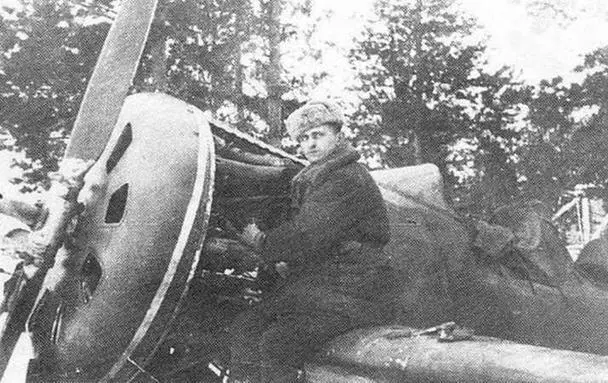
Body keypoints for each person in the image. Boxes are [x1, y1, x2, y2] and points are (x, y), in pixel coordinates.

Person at [229, 100, 394, 382]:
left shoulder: (346, 177)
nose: (310, 144)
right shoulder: (317, 177)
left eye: (318, 135)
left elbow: (307, 234)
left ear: (337, 136)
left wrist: (260, 240)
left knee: (277, 344)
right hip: (326, 288)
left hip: (353, 292)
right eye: (304, 138)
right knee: (246, 327)